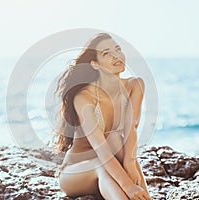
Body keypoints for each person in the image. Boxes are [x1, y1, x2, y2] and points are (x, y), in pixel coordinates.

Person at [53, 33, 151, 200]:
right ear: (95, 64)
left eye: (118, 49)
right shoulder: (84, 97)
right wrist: (127, 185)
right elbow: (100, 147)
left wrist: (129, 163)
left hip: (111, 170)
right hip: (76, 172)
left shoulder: (135, 85)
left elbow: (130, 129)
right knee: (101, 163)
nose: (117, 55)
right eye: (107, 53)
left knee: (115, 138)